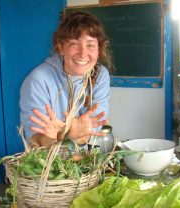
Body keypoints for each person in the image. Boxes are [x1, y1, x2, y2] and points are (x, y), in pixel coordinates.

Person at [20, 11, 112, 147]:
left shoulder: (100, 75)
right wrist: (66, 133)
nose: (83, 53)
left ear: (99, 49)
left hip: (84, 160)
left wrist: (66, 133)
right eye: (75, 44)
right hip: (47, 164)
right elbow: (36, 142)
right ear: (61, 47)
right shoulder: (38, 80)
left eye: (90, 45)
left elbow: (94, 126)